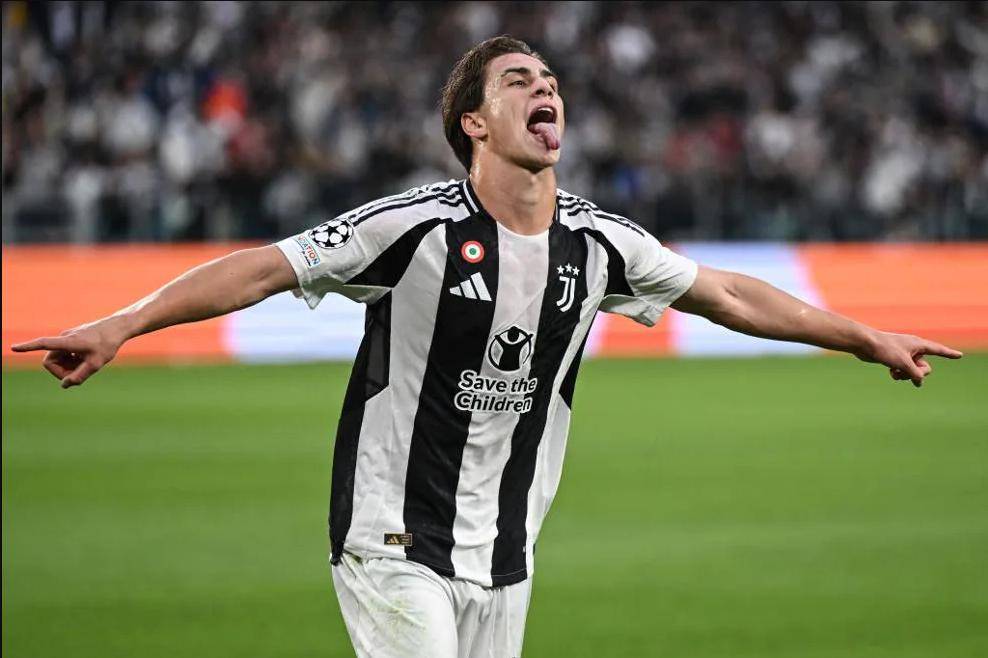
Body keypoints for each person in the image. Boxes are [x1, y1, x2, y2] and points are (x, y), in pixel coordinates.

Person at [12, 36, 963, 657]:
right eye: (519, 81)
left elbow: (730, 293)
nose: (545, 88)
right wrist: (120, 323)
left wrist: (863, 337)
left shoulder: (597, 243)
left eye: (550, 81)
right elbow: (265, 269)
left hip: (507, 554)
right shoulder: (411, 227)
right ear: (475, 123)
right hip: (393, 541)